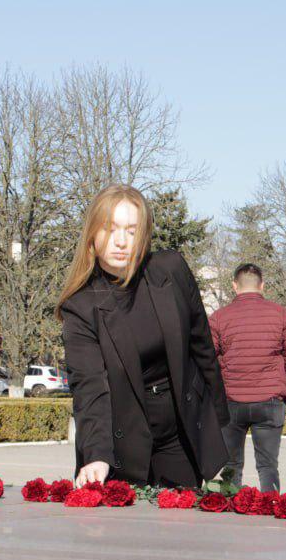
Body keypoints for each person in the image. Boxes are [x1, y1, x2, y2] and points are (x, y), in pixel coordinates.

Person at [57, 183, 228, 489]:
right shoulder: (80, 306)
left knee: (183, 514)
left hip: (178, 432)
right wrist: (96, 455)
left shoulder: (171, 270)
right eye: (110, 229)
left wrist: (219, 424)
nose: (121, 241)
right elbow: (90, 387)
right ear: (92, 234)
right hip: (120, 436)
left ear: (144, 235)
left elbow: (202, 347)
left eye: (131, 230)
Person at [208, 263, 286, 492]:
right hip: (270, 401)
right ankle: (270, 504)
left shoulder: (219, 318)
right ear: (262, 285)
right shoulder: (280, 314)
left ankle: (230, 507)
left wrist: (217, 394)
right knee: (268, 465)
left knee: (231, 466)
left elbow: (207, 361)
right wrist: (285, 394)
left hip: (231, 403)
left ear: (234, 286)